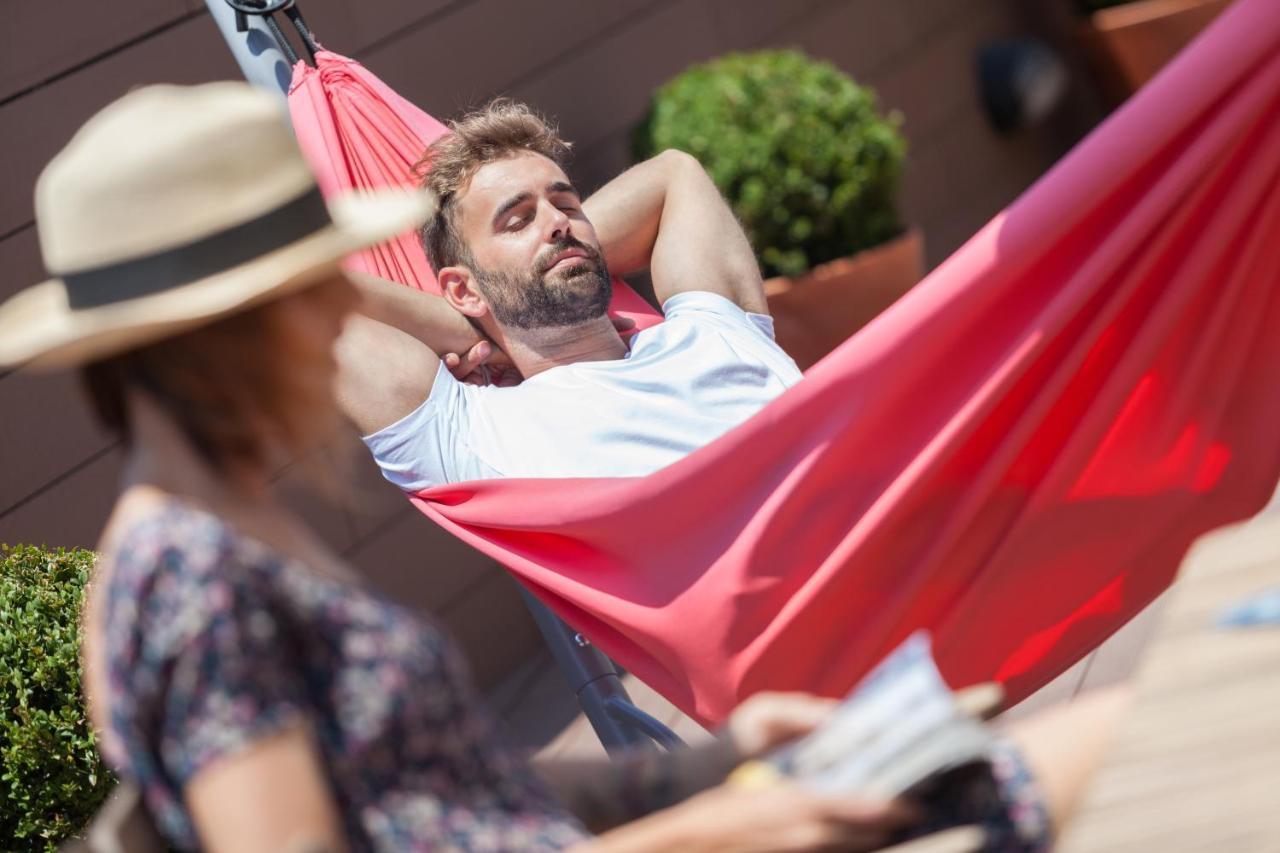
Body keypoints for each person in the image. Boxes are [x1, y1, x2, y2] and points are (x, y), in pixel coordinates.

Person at [0, 82, 1116, 852]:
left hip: (705, 793)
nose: (337, 314)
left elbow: (440, 793)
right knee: (1111, 748)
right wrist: (711, 830)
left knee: (1119, 732)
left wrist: (694, 770)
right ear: (237, 325)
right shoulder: (185, 576)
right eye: (312, 290)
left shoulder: (226, 535)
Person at [333, 99, 804, 489]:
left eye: (566, 205)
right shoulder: (471, 435)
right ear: (463, 287)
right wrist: (480, 324)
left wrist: (494, 321)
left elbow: (674, 173)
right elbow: (298, 296)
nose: (558, 222)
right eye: (517, 220)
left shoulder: (712, 332)